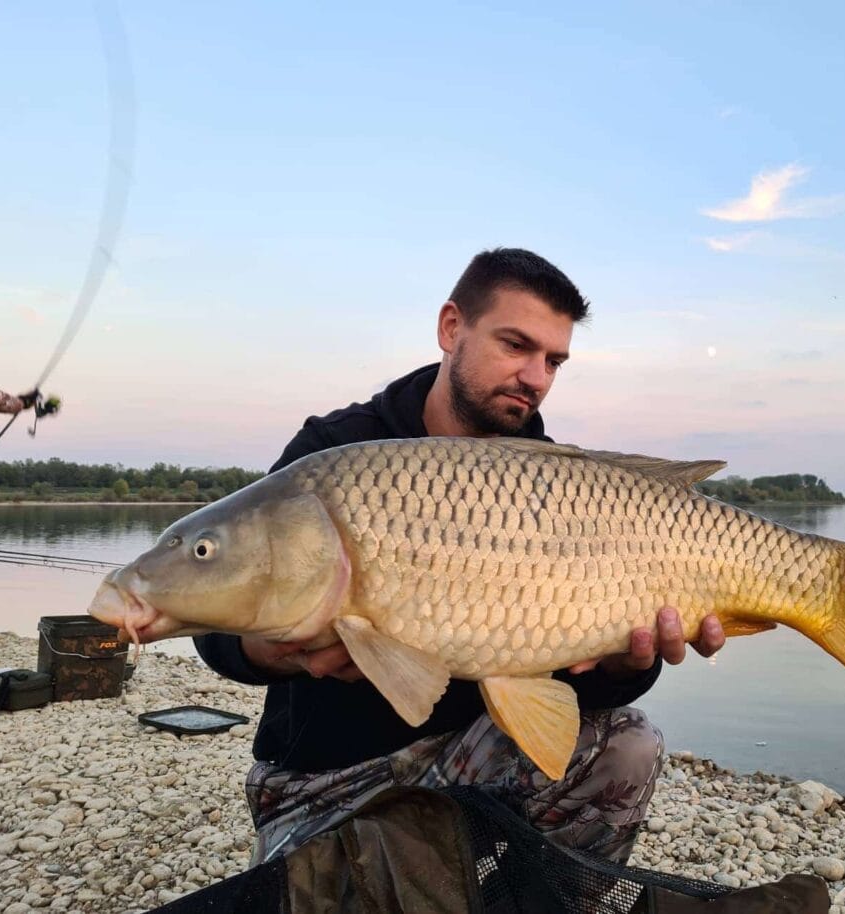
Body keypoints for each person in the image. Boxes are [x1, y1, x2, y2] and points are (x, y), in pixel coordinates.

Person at [194, 248, 725, 868]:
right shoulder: (336, 453)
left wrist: (623, 661)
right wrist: (276, 647)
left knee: (629, 745)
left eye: (553, 360)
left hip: (478, 762)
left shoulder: (565, 484)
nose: (536, 376)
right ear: (452, 328)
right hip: (326, 779)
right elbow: (215, 617)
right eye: (515, 345)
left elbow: (596, 685)